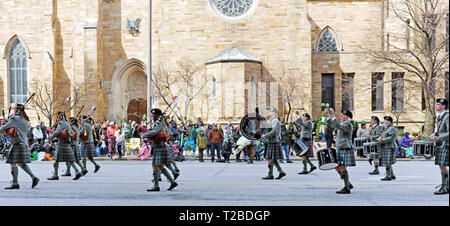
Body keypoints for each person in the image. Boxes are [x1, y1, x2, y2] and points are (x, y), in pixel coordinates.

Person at [0, 104, 40, 189]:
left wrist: (5, 125)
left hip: (17, 143)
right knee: (21, 163)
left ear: (16, 110)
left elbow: (4, 128)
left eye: (14, 109)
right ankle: (34, 177)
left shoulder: (15, 118)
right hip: (24, 143)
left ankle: (15, 183)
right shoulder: (25, 119)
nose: (13, 110)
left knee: (13, 163)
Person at [143, 108, 178, 192]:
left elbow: (154, 132)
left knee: (156, 166)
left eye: (153, 115)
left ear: (157, 115)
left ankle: (156, 185)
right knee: (160, 166)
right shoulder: (162, 123)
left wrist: (144, 135)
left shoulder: (159, 123)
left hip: (159, 147)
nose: (152, 117)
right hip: (162, 146)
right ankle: (172, 182)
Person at [326, 108, 355, 194]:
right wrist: (328, 115)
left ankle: (347, 187)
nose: (341, 117)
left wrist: (333, 115)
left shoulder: (348, 124)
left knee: (342, 167)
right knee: (336, 166)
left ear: (346, 117)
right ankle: (348, 183)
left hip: (345, 147)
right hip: (340, 147)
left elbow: (338, 126)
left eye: (342, 116)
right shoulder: (343, 123)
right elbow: (332, 125)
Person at [47, 112, 82, 181]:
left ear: (59, 117)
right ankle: (77, 171)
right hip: (67, 143)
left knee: (56, 160)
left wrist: (51, 137)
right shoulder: (67, 124)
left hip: (62, 143)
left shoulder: (61, 123)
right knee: (70, 160)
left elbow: (57, 132)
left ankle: (55, 175)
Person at [430, 98, 449, 195]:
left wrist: (439, 138)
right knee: (442, 165)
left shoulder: (447, 116)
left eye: (438, 104)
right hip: (443, 143)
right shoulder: (441, 116)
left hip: (446, 143)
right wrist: (435, 133)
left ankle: (444, 187)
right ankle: (446, 185)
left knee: (442, 165)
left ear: (443, 106)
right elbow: (441, 129)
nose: (436, 106)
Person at [261, 107, 286, 180]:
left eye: (271, 112)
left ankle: (270, 174)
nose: (269, 113)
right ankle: (281, 172)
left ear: (274, 113)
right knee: (272, 158)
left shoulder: (275, 120)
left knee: (269, 158)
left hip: (274, 141)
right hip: (272, 141)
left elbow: (274, 131)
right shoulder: (272, 120)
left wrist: (265, 136)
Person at [378, 116, 398, 181]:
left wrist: (382, 140)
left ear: (389, 121)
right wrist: (380, 138)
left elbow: (391, 138)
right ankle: (392, 174)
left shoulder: (392, 128)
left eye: (385, 121)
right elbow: (384, 135)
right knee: (387, 161)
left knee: (387, 161)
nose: (384, 122)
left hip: (389, 146)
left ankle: (388, 175)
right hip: (386, 146)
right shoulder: (387, 128)